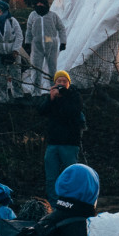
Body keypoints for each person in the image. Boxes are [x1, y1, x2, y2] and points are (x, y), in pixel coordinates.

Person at [41, 70, 83, 204]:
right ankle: (54, 205)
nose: (61, 84)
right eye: (59, 81)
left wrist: (63, 95)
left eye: (64, 81)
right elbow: (41, 111)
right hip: (53, 142)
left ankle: (72, 202)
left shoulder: (74, 96)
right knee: (51, 177)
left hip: (70, 143)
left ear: (69, 83)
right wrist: (51, 99)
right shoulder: (52, 98)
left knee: (71, 175)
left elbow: (71, 112)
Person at [23, 0, 67, 97]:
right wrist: (28, 43)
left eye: (41, 3)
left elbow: (61, 28)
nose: (39, 5)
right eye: (37, 3)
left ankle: (54, 91)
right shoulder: (33, 15)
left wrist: (63, 42)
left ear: (46, 4)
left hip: (50, 43)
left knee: (52, 69)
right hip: (37, 45)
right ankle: (36, 94)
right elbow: (29, 30)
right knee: (36, 69)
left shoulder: (52, 16)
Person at [0, 0, 23, 102]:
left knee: (16, 75)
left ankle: (18, 97)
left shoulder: (12, 20)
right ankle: (3, 99)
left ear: (0, 8)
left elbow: (19, 36)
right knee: (0, 77)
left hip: (12, 51)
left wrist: (16, 50)